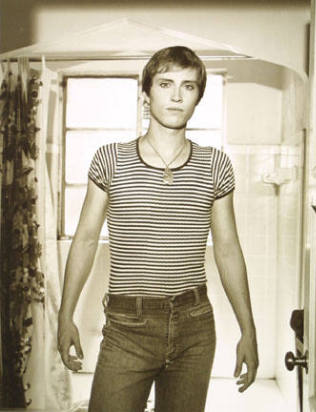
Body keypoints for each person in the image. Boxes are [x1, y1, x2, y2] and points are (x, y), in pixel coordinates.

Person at [58, 45, 259, 412]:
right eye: (166, 83)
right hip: (126, 328)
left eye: (189, 86)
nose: (177, 95)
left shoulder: (215, 165)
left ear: (199, 96)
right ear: (146, 92)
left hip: (194, 327)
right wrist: (65, 314)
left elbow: (228, 248)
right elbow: (86, 240)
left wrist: (249, 329)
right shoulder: (110, 160)